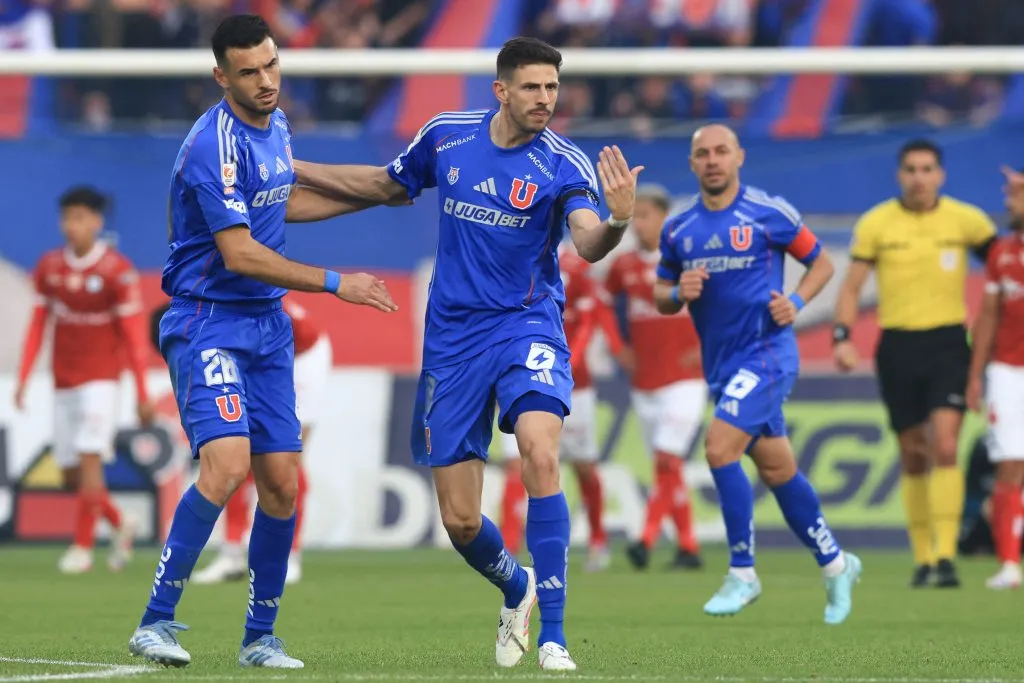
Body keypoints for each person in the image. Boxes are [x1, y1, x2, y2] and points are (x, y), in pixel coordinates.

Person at [294, 36, 641, 671]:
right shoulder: (446, 136)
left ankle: (556, 635)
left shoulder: (564, 163)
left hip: (525, 326)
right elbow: (382, 186)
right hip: (452, 341)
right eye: (533, 87)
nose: (545, 99)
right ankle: (518, 587)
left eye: (553, 88)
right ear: (501, 90)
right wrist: (292, 168)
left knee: (540, 449)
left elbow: (588, 242)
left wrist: (617, 222)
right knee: (458, 521)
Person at [127, 14, 397, 669]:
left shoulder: (275, 124)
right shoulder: (209, 146)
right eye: (249, 71)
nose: (266, 79)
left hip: (267, 327)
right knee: (227, 465)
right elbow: (242, 251)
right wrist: (340, 283)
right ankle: (154, 620)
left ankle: (260, 636)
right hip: (207, 320)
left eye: (272, 64)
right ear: (221, 76)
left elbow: (285, 203)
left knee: (281, 483)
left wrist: (379, 194)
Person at [655, 124, 861, 624]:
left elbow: (822, 264)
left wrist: (794, 302)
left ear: (739, 157)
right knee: (777, 470)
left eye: (721, 151)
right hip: (722, 366)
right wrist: (679, 292)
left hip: (768, 355)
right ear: (691, 163)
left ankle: (743, 572)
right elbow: (661, 297)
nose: (712, 160)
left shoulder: (768, 213)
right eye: (702, 153)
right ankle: (837, 563)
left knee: (719, 448)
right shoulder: (679, 230)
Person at [833, 139, 997, 589]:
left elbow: (1005, 266)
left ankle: (945, 556)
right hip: (898, 346)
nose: (919, 177)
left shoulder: (966, 220)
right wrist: (843, 336)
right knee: (913, 453)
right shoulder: (877, 223)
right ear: (898, 175)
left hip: (948, 343)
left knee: (945, 445)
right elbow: (851, 287)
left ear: (941, 175)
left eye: (927, 169)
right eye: (911, 169)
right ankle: (923, 558)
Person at [15, 185, 154, 575]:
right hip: (64, 379)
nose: (71, 226)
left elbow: (133, 336)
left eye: (79, 217)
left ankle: (81, 547)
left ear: (96, 221)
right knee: (71, 472)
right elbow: (39, 322)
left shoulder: (116, 271)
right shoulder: (49, 267)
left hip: (101, 381)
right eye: (66, 218)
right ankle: (118, 521)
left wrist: (142, 391)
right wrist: (24, 377)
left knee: (89, 456)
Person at [158, 296, 331, 586]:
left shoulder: (246, 298)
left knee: (285, 459)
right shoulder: (211, 307)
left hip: (301, 355)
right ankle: (231, 552)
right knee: (234, 455)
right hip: (252, 353)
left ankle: (289, 554)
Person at [498, 240, 626, 573]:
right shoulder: (508, 256)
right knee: (516, 464)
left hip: (573, 385)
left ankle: (598, 540)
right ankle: (507, 547)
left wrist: (568, 362)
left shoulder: (576, 266)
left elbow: (587, 320)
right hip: (519, 380)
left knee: (583, 465)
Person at [605, 183, 705, 572]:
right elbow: (601, 304)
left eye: (645, 215)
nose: (638, 224)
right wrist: (617, 346)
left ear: (665, 217)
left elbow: (723, 303)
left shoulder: (689, 260)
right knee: (669, 466)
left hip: (685, 378)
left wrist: (709, 342)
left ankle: (644, 538)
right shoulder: (624, 266)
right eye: (634, 216)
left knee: (666, 458)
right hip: (644, 380)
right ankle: (689, 547)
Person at [966, 167, 1024, 590]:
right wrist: (975, 375)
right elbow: (988, 316)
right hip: (1007, 370)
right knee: (1010, 465)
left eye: (1016, 194)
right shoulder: (1002, 251)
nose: (1009, 202)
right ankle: (1008, 565)